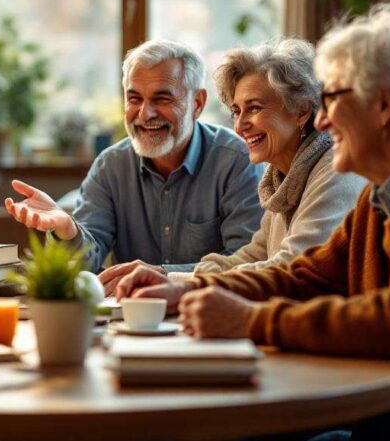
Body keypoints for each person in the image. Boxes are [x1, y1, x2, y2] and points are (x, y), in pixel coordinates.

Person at [115, 4, 390, 435]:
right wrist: (187, 289)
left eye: (332, 98)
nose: (321, 118)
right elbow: (307, 276)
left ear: (384, 106)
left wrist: (249, 320)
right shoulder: (388, 188)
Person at [99, 39, 366, 292]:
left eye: (255, 108)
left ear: (301, 111)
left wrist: (180, 283)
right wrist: (164, 276)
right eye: (237, 111)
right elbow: (248, 258)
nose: (240, 125)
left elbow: (291, 269)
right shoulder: (284, 178)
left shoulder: (336, 171)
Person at [5, 39, 264, 271]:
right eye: (134, 99)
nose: (145, 114)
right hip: (127, 320)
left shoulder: (237, 160)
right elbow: (85, 262)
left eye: (162, 99)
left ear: (197, 103)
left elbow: (246, 263)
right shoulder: (111, 166)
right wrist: (66, 229)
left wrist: (163, 276)